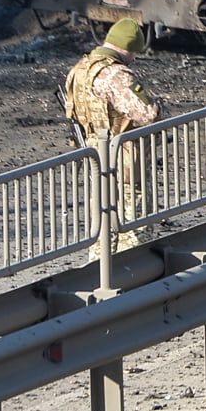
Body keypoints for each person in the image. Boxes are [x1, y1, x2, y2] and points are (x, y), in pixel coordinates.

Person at [63, 18, 161, 251]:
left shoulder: (79, 70)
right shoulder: (116, 74)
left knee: (101, 227)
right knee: (134, 225)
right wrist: (160, 106)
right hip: (125, 161)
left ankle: (100, 276)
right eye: (134, 53)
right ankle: (134, 276)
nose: (134, 59)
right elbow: (148, 114)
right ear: (128, 48)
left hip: (94, 156)